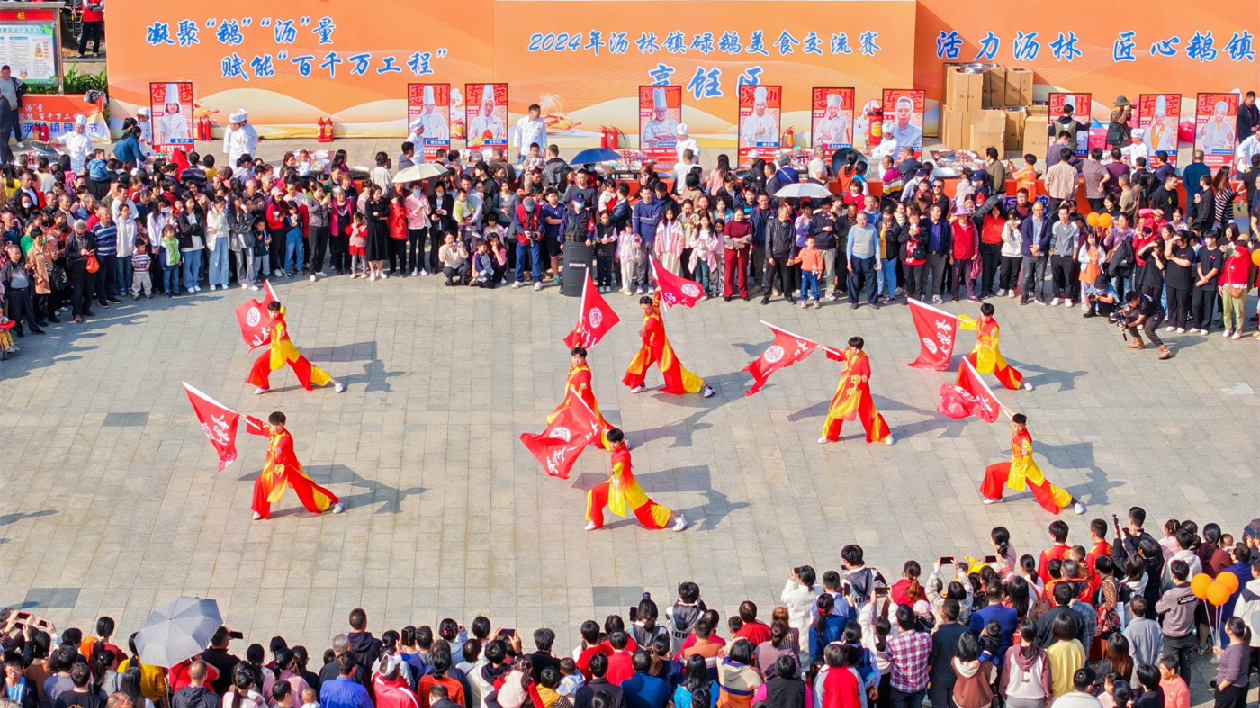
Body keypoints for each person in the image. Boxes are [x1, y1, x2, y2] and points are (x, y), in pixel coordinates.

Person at [245, 411, 344, 521]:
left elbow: (283, 444)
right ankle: (259, 510)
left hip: (289, 469)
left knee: (308, 488)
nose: (275, 427)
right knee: (260, 483)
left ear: (284, 423)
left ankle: (335, 502)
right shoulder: (271, 431)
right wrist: (246, 418)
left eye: (278, 425)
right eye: (273, 424)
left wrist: (279, 449)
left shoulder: (286, 437)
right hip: (275, 469)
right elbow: (261, 426)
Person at [585, 428, 687, 532]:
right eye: (610, 442)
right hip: (616, 484)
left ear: (621, 441)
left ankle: (678, 518)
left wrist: (613, 471)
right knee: (595, 492)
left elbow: (620, 465)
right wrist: (606, 431)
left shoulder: (623, 455)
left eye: (614, 442)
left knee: (646, 508)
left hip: (628, 488)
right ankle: (596, 521)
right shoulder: (620, 445)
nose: (611, 445)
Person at [982, 413, 1086, 515]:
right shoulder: (1016, 426)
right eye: (1014, 426)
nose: (1016, 429)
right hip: (1015, 466)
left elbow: (1027, 447)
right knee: (992, 470)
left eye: (1019, 427)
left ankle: (1074, 502)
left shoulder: (1024, 439)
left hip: (1028, 470)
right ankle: (996, 496)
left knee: (1045, 488)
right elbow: (1013, 414)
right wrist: (1003, 407)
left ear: (1024, 426)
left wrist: (1026, 451)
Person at [623, 294, 715, 398]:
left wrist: (643, 333)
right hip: (651, 347)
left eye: (647, 309)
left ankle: (706, 386)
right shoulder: (655, 308)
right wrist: (658, 283)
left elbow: (649, 328)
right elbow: (657, 296)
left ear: (651, 307)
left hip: (661, 349)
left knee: (678, 370)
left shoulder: (653, 319)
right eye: (643, 308)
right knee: (639, 363)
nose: (645, 311)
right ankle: (639, 384)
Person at [246, 300, 346, 394]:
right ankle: (264, 385)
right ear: (268, 311)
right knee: (260, 362)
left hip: (288, 350)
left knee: (306, 368)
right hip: (276, 349)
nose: (273, 314)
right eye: (271, 312)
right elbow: (282, 312)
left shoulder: (279, 323)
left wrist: (281, 333)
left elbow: (281, 328)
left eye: (275, 312)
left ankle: (336, 383)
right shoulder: (278, 316)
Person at [817, 337, 892, 446]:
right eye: (855, 349)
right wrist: (825, 348)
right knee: (836, 410)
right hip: (845, 389)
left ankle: (884, 435)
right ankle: (829, 435)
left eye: (859, 349)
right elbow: (838, 353)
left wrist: (865, 376)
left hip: (859, 390)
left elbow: (866, 369)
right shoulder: (847, 351)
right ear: (850, 347)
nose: (857, 351)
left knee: (869, 412)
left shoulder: (863, 358)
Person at [957, 302, 1033, 391]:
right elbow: (973, 323)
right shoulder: (979, 320)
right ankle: (960, 387)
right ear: (980, 312)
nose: (985, 318)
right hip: (979, 352)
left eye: (987, 316)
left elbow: (995, 331)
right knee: (964, 363)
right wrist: (961, 319)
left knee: (1004, 370)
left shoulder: (994, 325)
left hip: (992, 354)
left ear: (992, 315)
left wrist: (994, 334)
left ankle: (1023, 381)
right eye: (983, 315)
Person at [548, 347, 612, 446]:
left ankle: (616, 439)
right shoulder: (575, 367)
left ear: (585, 359)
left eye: (580, 358)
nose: (577, 360)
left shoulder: (583, 371)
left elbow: (584, 378)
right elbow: (576, 343)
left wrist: (584, 384)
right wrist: (578, 332)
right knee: (559, 417)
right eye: (575, 358)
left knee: (596, 423)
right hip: (572, 401)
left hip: (583, 403)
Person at [999, 621, 1050, 708]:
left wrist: (1003, 691)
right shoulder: (1042, 654)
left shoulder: (1011, 651)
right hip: (1035, 697)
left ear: (1020, 633)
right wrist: (1047, 694)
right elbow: (1045, 678)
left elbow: (1005, 676)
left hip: (1013, 695)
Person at [1118, 291, 1172, 359]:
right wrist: (1125, 312)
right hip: (1148, 312)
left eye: (1132, 303)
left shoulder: (1144, 304)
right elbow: (1129, 309)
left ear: (1137, 299)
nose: (1130, 305)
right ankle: (1138, 342)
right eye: (1129, 303)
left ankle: (1164, 349)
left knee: (1149, 331)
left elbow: (1138, 321)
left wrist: (1126, 326)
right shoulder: (1135, 297)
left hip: (1157, 313)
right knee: (1130, 319)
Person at [1214, 617, 1249, 708]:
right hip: (1238, 687)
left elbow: (1232, 674)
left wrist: (1220, 687)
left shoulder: (1235, 651)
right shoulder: (1242, 645)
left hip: (1230, 690)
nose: (1225, 625)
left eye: (1226, 624)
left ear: (1230, 631)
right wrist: (1222, 652)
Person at [0, 65, 26, 164]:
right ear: (1, 72)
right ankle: (5, 145)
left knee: (15, 123)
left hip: (12, 106)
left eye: (7, 73)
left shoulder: (14, 80)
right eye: (3, 73)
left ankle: (19, 140)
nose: (5, 75)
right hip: (2, 108)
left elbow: (24, 86)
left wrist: (18, 96)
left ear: (10, 72)